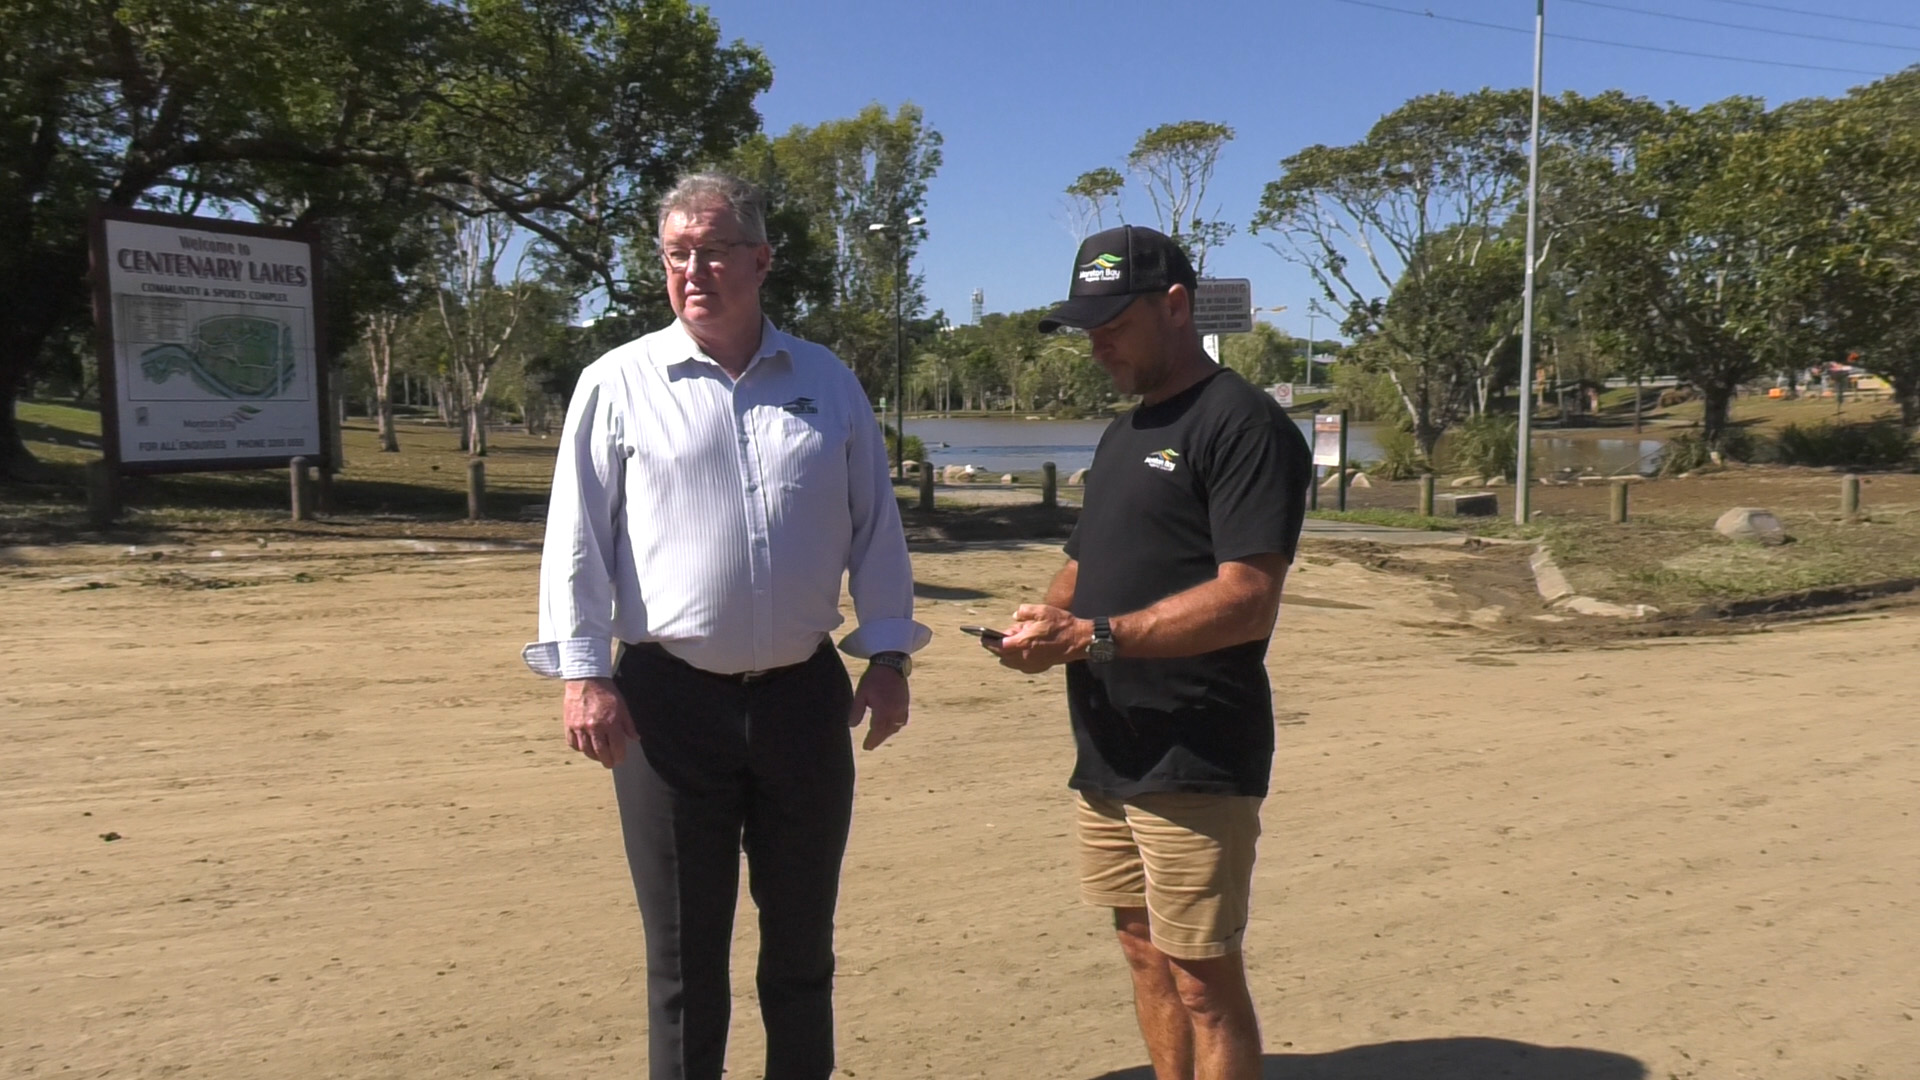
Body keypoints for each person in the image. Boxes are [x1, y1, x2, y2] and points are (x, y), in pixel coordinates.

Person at [522, 171, 929, 1080]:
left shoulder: (827, 382)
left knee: (802, 954)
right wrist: (584, 675)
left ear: (761, 260)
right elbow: (575, 541)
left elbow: (876, 530)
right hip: (667, 708)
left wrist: (889, 656)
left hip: (803, 702)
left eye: (712, 251)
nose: (692, 270)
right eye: (676, 254)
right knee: (683, 965)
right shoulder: (617, 383)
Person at [984, 225, 1311, 1080]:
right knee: (1141, 950)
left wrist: (1095, 638)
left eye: (1112, 323)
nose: (1096, 342)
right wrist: (1043, 622)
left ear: (1174, 306)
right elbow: (1086, 563)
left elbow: (1249, 597)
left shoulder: (1244, 425)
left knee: (1204, 980)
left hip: (1195, 748)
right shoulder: (1124, 432)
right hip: (1110, 746)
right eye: (1086, 325)